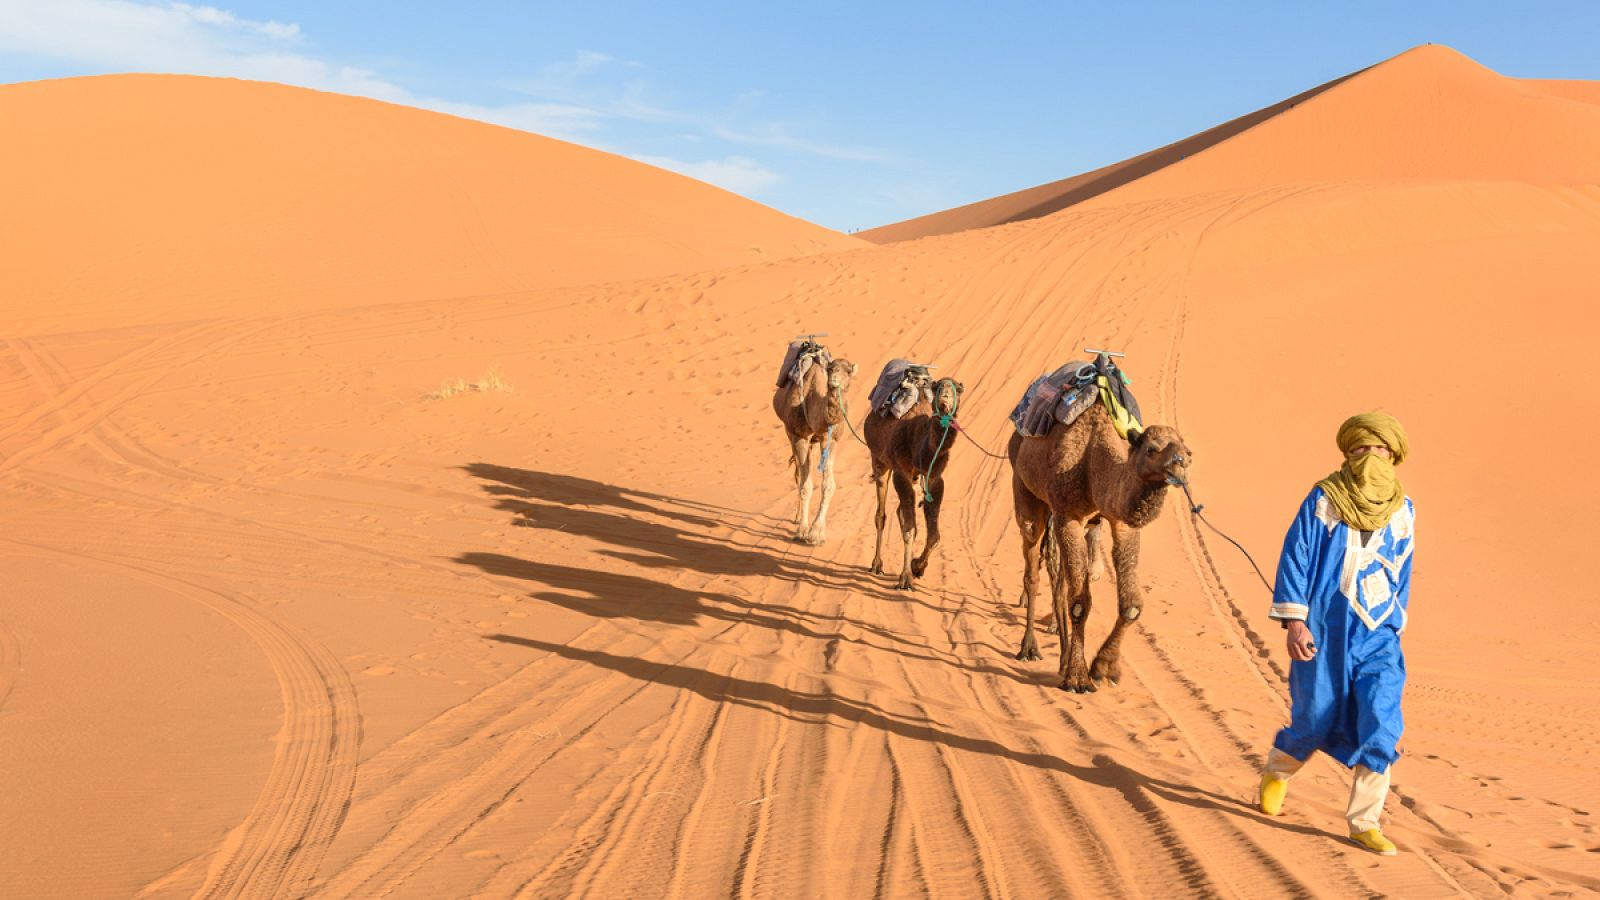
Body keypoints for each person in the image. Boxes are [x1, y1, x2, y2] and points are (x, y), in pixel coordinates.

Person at [1258, 413, 1414, 856]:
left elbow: (1403, 569)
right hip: (1325, 627)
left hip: (1378, 632)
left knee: (1382, 720)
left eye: (1379, 450)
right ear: (1348, 453)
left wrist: (1396, 622)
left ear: (1393, 456)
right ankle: (1278, 771)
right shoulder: (1325, 498)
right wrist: (1295, 621)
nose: (1371, 458)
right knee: (1314, 716)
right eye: (1362, 450)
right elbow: (1297, 555)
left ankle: (1364, 822)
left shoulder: (1404, 509)